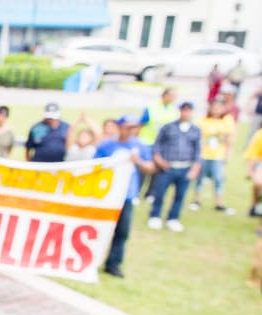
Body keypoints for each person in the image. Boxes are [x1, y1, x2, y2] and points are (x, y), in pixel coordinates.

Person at [94, 116, 156, 278]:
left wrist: (138, 161)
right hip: (105, 193)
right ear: (120, 127)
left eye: (134, 128)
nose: (131, 131)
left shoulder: (139, 145)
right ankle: (92, 259)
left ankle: (113, 264)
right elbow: (93, 165)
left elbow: (150, 167)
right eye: (128, 127)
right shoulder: (107, 145)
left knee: (122, 231)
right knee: (98, 228)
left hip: (126, 195)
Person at [148, 101, 202, 232]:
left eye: (189, 110)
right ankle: (155, 215)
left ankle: (173, 218)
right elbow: (157, 145)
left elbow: (198, 151)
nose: (186, 113)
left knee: (180, 195)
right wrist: (159, 160)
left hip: (185, 167)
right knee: (159, 193)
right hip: (167, 166)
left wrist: (195, 168)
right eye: (184, 110)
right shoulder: (168, 127)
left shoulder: (196, 130)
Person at [191, 96, 236, 214]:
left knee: (219, 179)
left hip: (218, 155)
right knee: (200, 179)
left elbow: (230, 139)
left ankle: (219, 203)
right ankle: (196, 200)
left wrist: (227, 154)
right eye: (214, 107)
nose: (216, 110)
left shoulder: (227, 120)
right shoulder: (202, 121)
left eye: (219, 107)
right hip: (203, 154)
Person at [244, 126, 262, 218]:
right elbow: (252, 153)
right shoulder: (260, 134)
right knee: (258, 183)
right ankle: (254, 205)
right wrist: (249, 170)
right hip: (260, 162)